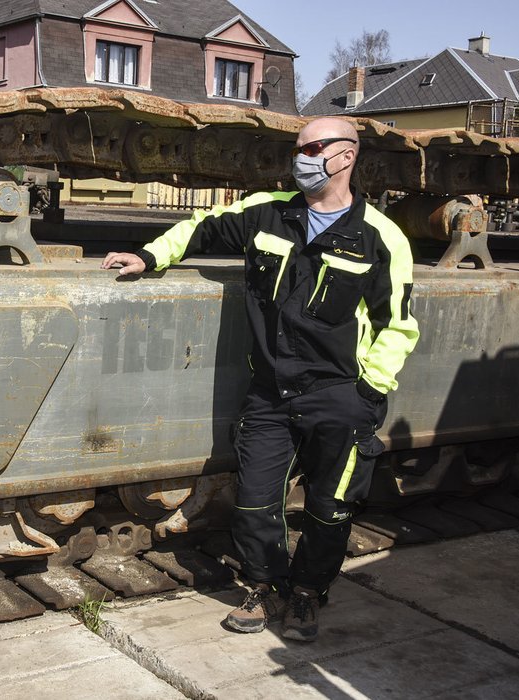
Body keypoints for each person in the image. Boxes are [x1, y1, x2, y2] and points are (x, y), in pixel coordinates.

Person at [102, 117, 419, 642]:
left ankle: (307, 595)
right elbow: (202, 226)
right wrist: (150, 255)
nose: (301, 158)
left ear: (345, 157)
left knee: (329, 507)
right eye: (298, 149)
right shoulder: (267, 212)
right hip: (271, 393)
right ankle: (265, 587)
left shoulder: (380, 237)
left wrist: (368, 392)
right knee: (254, 500)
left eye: (313, 148)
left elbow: (398, 324)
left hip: (338, 397)